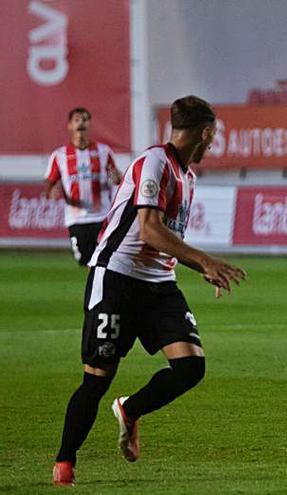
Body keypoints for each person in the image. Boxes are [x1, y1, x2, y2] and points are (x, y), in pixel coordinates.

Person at [52, 96, 247, 486]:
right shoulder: (156, 162)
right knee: (97, 379)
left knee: (191, 367)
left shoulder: (186, 176)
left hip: (158, 285)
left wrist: (193, 265)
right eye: (212, 136)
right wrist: (204, 262)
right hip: (117, 279)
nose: (212, 143)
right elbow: (149, 230)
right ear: (205, 132)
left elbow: (165, 238)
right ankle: (65, 462)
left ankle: (131, 409)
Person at [44, 108, 122, 266]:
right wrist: (51, 192)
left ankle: (98, 290)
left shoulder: (103, 151)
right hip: (77, 219)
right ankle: (96, 289)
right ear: (70, 126)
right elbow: (49, 185)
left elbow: (117, 178)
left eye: (85, 119)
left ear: (89, 124)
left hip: (102, 216)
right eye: (77, 120)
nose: (81, 123)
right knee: (87, 262)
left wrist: (116, 178)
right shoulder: (59, 155)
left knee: (103, 261)